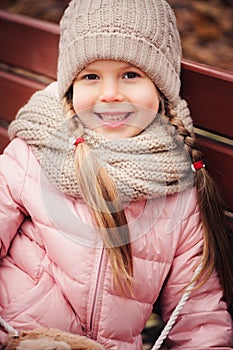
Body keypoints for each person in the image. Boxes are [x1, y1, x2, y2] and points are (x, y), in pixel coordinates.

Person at [0, 0, 232, 349]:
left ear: (161, 86)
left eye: (131, 74)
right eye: (91, 76)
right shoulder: (33, 152)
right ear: (71, 87)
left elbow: (199, 315)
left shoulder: (178, 189)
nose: (109, 94)